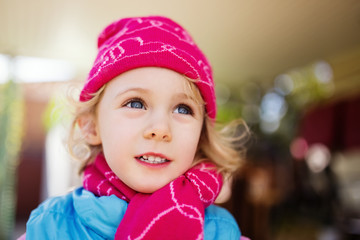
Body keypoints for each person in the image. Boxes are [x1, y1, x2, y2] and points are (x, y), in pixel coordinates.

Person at [23, 16, 249, 239]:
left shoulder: (222, 232)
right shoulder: (49, 228)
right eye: (135, 103)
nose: (160, 129)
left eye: (182, 109)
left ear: (201, 136)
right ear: (92, 127)